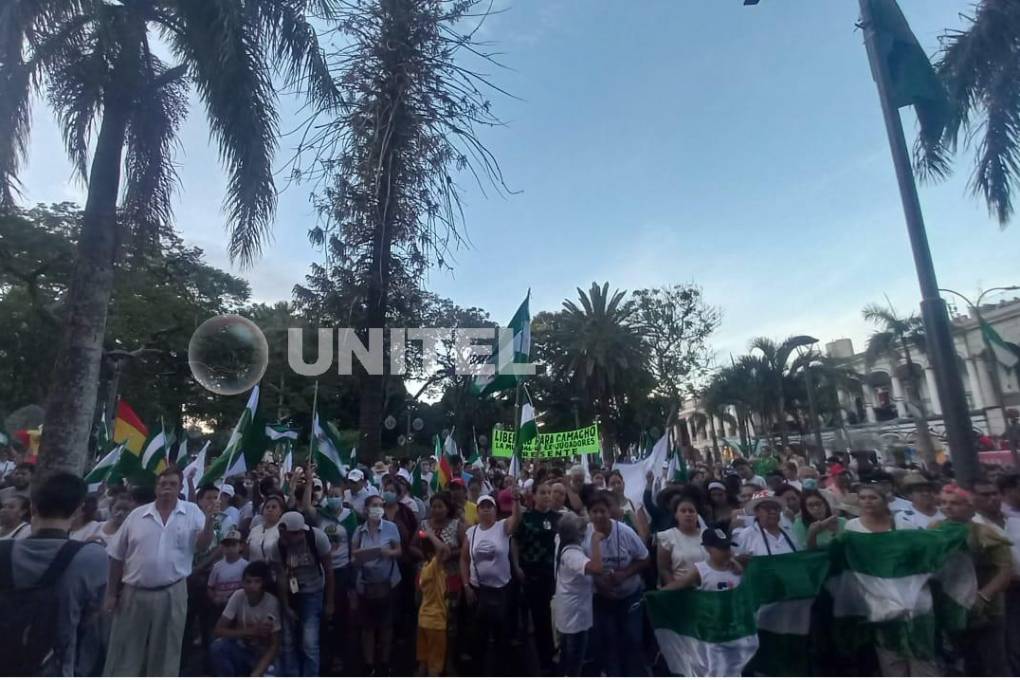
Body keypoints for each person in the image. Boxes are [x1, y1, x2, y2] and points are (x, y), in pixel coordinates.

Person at [104, 469, 214, 676]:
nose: (167, 488)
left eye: (172, 484)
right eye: (163, 484)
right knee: (124, 651)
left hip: (172, 592)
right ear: (156, 487)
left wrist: (209, 521)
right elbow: (116, 555)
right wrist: (111, 593)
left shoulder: (191, 512)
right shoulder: (137, 515)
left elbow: (202, 546)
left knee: (165, 653)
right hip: (133, 593)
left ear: (180, 488)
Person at [0, 471, 108, 676]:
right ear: (77, 511)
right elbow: (93, 618)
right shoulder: (92, 557)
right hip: (55, 667)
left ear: (32, 507)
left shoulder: (3, 551)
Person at [937, 483, 1013, 677]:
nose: (948, 507)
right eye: (944, 503)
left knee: (994, 663)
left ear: (970, 507)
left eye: (955, 503)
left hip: (987, 610)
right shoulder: (935, 529)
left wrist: (985, 595)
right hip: (952, 607)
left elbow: (1005, 570)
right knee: (966, 663)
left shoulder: (985, 532)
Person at [586, 490, 650, 676]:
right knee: (608, 641)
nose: (598, 515)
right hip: (602, 598)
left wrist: (624, 574)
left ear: (610, 512)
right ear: (589, 514)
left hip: (630, 595)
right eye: (594, 511)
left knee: (632, 638)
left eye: (602, 511)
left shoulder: (626, 532)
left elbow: (645, 559)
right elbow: (581, 567)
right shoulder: (585, 535)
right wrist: (600, 585)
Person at [460, 490, 522, 676]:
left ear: (495, 511)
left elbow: (516, 518)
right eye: (483, 507)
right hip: (478, 590)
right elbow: (464, 560)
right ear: (477, 511)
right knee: (479, 634)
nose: (486, 511)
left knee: (502, 634)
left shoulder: (503, 527)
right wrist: (465, 586)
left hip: (501, 589)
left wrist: (516, 500)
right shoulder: (471, 532)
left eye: (490, 507)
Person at [276, 510, 334, 677]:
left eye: (301, 532)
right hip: (290, 592)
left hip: (313, 591)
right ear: (283, 533)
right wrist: (286, 606)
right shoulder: (277, 546)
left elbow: (329, 571)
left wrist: (330, 603)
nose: (299, 536)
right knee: (288, 641)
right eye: (294, 533)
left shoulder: (317, 538)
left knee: (309, 642)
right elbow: (280, 578)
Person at [513, 479, 559, 674]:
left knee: (554, 618)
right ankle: (543, 662)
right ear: (533, 495)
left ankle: (556, 654)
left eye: (549, 492)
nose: (547, 496)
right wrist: (516, 566)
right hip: (532, 574)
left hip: (554, 576)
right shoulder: (526, 518)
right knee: (539, 619)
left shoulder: (559, 518)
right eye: (542, 492)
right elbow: (515, 540)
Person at [352, 494, 402, 676]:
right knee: (368, 628)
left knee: (386, 626)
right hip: (366, 584)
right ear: (366, 509)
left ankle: (385, 662)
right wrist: (362, 555)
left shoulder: (391, 528)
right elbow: (354, 555)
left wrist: (386, 552)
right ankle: (368, 664)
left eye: (381, 505)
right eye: (374, 505)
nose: (378, 508)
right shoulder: (359, 530)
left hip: (388, 582)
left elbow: (399, 551)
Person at [310, 485, 357, 674]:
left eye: (336, 495)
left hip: (342, 570)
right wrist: (306, 479)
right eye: (330, 495)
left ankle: (339, 655)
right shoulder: (321, 514)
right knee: (321, 613)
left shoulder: (350, 516)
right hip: (321, 571)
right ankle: (324, 652)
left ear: (342, 497)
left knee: (340, 614)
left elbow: (354, 541)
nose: (333, 498)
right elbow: (306, 507)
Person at [210, 560, 282, 677]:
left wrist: (256, 673)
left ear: (263, 583)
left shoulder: (271, 602)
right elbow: (218, 630)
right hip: (242, 649)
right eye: (248, 582)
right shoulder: (238, 595)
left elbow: (274, 645)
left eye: (257, 582)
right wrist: (250, 631)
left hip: (262, 655)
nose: (251, 586)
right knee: (218, 647)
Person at [553, 512, 603, 676]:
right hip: (576, 615)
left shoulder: (559, 540)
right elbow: (596, 568)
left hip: (566, 610)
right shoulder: (572, 555)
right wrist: (595, 541)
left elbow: (580, 524)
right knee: (574, 660)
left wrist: (587, 520)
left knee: (566, 654)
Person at [666, 525, 742, 592]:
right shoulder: (700, 570)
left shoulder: (736, 568)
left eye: (727, 547)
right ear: (708, 548)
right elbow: (679, 585)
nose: (726, 551)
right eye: (721, 548)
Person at [416, 525, 450, 677]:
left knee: (424, 660)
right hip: (436, 623)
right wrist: (430, 535)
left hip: (423, 620)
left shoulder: (424, 568)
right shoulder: (433, 568)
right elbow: (443, 550)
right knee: (435, 665)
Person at [656, 493, 707, 587]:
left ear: (697, 515)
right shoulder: (667, 537)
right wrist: (674, 587)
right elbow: (664, 569)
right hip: (682, 590)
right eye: (683, 511)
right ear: (676, 515)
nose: (688, 514)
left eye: (691, 511)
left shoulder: (708, 534)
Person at [734, 490, 800, 557]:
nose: (773, 511)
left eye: (776, 508)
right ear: (756, 511)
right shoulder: (746, 535)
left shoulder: (790, 532)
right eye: (767, 508)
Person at [844, 485, 913, 534]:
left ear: (885, 501)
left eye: (873, 498)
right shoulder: (851, 526)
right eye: (862, 498)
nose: (867, 501)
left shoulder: (903, 525)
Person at [208, 530, 248, 612]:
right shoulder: (217, 566)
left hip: (238, 606)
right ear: (222, 547)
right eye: (227, 545)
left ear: (241, 546)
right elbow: (210, 587)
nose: (230, 548)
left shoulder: (246, 565)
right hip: (219, 606)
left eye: (233, 545)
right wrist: (214, 598)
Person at [606, 470, 650, 542]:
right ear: (608, 487)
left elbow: (644, 534)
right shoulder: (607, 509)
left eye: (619, 482)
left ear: (623, 484)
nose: (617, 486)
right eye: (613, 484)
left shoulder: (634, 504)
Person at [246, 494, 285, 565]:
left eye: (274, 507)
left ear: (281, 511)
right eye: (267, 507)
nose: (270, 509)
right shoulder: (255, 530)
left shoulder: (282, 530)